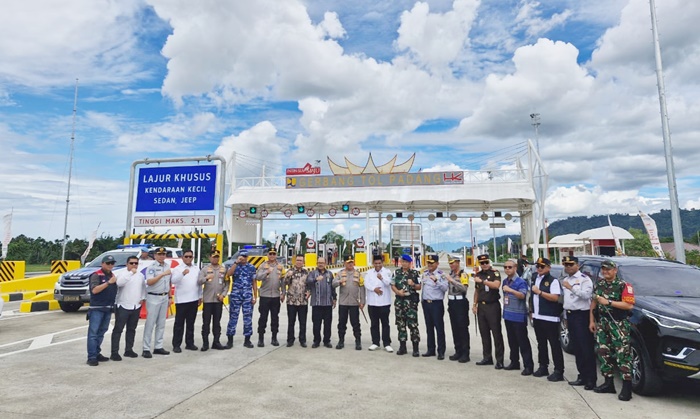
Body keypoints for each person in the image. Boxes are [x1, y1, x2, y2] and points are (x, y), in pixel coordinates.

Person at [590, 260, 635, 401]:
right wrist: (591, 320)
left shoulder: (624, 286)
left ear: (615, 270)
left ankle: (627, 388)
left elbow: (629, 305)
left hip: (618, 324)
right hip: (603, 323)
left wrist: (609, 302)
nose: (606, 272)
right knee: (603, 352)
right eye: (603, 269)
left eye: (608, 269)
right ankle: (608, 383)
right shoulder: (600, 284)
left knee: (623, 355)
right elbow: (594, 302)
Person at [561, 256, 596, 390]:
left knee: (586, 348)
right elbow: (567, 301)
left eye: (571, 264)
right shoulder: (565, 280)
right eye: (566, 264)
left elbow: (587, 296)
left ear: (578, 265)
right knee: (577, 348)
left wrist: (571, 288)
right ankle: (581, 376)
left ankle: (591, 379)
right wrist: (565, 318)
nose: (568, 267)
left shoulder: (584, 279)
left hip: (582, 315)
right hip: (570, 315)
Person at [530, 257, 565, 381]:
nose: (539, 268)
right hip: (537, 316)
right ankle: (543, 366)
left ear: (548, 267)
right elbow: (532, 298)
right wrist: (531, 312)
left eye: (542, 266)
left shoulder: (553, 281)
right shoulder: (534, 278)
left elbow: (555, 298)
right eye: (537, 266)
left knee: (554, 344)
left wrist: (540, 292)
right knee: (541, 344)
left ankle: (558, 370)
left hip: (550, 317)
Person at [501, 259, 534, 375]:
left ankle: (528, 365)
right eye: (505, 267)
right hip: (508, 315)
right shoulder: (505, 281)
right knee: (512, 341)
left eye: (510, 267)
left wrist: (510, 290)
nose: (507, 269)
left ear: (515, 268)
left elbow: (522, 295)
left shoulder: (520, 282)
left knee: (523, 342)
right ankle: (514, 362)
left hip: (518, 316)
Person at [472, 254, 505, 369]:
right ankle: (487, 357)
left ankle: (500, 360)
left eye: (486, 262)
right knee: (484, 333)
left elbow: (496, 285)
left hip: (493, 306)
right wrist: (474, 304)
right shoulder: (478, 274)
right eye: (482, 263)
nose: (484, 265)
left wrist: (483, 281)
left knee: (496, 334)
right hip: (482, 306)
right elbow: (477, 291)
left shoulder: (494, 273)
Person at [111, 255, 146, 361]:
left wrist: (143, 298)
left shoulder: (140, 275)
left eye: (136, 263)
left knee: (131, 329)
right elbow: (119, 283)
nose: (134, 265)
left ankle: (129, 349)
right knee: (118, 329)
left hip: (136, 306)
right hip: (123, 305)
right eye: (132, 263)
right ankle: (114, 352)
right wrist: (131, 273)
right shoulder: (122, 274)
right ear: (127, 264)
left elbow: (143, 288)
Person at [86, 255, 118, 366]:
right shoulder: (96, 275)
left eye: (112, 263)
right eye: (108, 263)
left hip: (108, 308)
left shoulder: (112, 275)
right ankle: (92, 357)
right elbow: (94, 290)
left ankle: (97, 352)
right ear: (102, 263)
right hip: (97, 308)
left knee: (102, 332)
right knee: (93, 333)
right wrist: (108, 283)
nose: (110, 265)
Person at [142, 247, 172, 358]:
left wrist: (170, 297)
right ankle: (146, 348)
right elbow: (149, 282)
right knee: (150, 323)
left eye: (163, 254)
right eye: (159, 254)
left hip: (164, 296)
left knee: (161, 323)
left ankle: (158, 346)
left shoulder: (167, 266)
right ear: (155, 255)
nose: (162, 256)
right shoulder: (152, 267)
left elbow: (169, 282)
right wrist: (162, 274)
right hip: (153, 297)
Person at [225, 250, 258, 348]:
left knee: (247, 319)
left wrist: (255, 296)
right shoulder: (235, 266)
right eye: (241, 256)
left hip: (247, 296)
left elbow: (254, 282)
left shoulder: (251, 267)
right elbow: (229, 274)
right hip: (236, 296)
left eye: (244, 256)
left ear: (247, 257)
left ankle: (247, 340)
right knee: (233, 318)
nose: (243, 258)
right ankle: (230, 340)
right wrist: (236, 263)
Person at [171, 249, 201, 352]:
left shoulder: (196, 269)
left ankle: (190, 343)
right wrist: (182, 274)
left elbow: (199, 283)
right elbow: (173, 281)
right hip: (182, 300)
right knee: (179, 324)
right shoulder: (177, 269)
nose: (188, 258)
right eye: (186, 256)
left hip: (193, 299)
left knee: (191, 323)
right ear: (182, 257)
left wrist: (200, 296)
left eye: (190, 256)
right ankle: (176, 344)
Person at [197, 250, 229, 351]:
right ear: (210, 258)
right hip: (208, 300)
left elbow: (227, 283)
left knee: (217, 323)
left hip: (218, 300)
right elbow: (199, 281)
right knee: (206, 323)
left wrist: (223, 295)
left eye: (217, 257)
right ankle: (205, 343)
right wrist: (206, 278)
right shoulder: (205, 269)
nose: (215, 258)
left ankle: (216, 342)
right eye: (213, 257)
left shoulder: (223, 269)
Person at [391, 254, 421, 356]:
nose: (404, 264)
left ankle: (415, 348)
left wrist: (413, 284)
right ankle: (402, 347)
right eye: (402, 262)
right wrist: (397, 292)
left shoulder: (415, 273)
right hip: (399, 302)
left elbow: (419, 287)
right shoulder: (396, 272)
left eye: (406, 262)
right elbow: (392, 285)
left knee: (413, 325)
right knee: (400, 324)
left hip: (411, 302)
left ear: (410, 263)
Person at [332, 256, 365, 350]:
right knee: (342, 323)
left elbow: (362, 288)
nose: (350, 264)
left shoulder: (358, 274)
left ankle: (358, 341)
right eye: (348, 262)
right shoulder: (340, 273)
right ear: (344, 263)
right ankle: (341, 341)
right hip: (343, 303)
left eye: (352, 262)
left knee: (356, 323)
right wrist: (339, 281)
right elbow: (333, 284)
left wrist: (362, 301)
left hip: (354, 303)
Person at [420, 254, 449, 360]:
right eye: (428, 263)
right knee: (429, 328)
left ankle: (441, 351)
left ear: (437, 263)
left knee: (439, 328)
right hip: (426, 303)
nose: (430, 265)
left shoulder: (441, 275)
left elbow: (445, 288)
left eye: (432, 263)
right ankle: (430, 349)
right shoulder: (425, 273)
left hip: (436, 304)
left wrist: (436, 281)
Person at [363, 254, 393, 352]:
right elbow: (366, 283)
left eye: (379, 263)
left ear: (382, 263)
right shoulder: (369, 272)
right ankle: (375, 342)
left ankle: (387, 343)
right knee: (374, 323)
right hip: (372, 302)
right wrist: (374, 289)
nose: (377, 265)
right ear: (373, 263)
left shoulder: (387, 272)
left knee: (385, 323)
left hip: (384, 302)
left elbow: (389, 283)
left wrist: (382, 278)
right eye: (376, 263)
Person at [256, 249, 285, 347]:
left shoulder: (280, 267)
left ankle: (274, 338)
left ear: (276, 255)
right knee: (263, 317)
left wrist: (283, 293)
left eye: (274, 254)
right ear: (267, 255)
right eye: (270, 254)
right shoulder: (263, 266)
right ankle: (261, 339)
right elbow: (258, 277)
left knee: (275, 318)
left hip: (276, 296)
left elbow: (283, 281)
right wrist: (266, 272)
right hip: (265, 295)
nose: (272, 255)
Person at [306, 257, 336, 348]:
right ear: (316, 263)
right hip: (317, 303)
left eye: (322, 263)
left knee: (327, 324)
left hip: (327, 303)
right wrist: (316, 279)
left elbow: (333, 287)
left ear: (325, 263)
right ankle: (316, 340)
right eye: (319, 263)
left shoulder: (329, 274)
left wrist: (334, 298)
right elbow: (308, 282)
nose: (320, 264)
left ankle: (327, 341)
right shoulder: (312, 273)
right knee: (316, 324)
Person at [446, 257, 471, 363]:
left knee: (462, 328)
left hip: (460, 302)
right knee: (455, 328)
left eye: (453, 263)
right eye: (450, 263)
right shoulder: (450, 274)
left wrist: (452, 281)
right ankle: (458, 351)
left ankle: (465, 353)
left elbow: (464, 289)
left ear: (458, 263)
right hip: (452, 302)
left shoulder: (463, 275)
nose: (451, 265)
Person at [283, 254, 310, 347]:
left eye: (301, 260)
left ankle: (302, 340)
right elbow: (284, 283)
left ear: (303, 262)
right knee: (291, 322)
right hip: (291, 301)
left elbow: (309, 285)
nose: (299, 262)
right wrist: (288, 277)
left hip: (303, 301)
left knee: (303, 322)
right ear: (295, 261)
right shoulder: (290, 271)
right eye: (297, 260)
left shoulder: (306, 273)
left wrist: (309, 292)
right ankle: (290, 340)